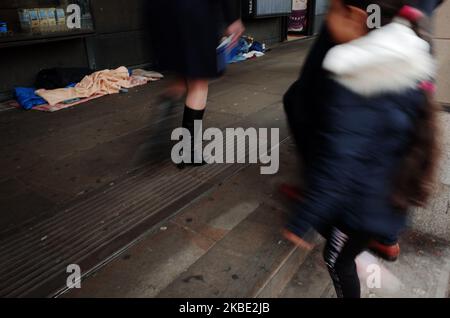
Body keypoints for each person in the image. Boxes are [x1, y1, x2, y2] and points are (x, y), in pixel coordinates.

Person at [283, 0, 442, 298]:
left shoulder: (356, 78)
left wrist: (301, 220)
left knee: (336, 259)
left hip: (362, 209)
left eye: (331, 12)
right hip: (391, 199)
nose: (327, 24)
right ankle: (370, 252)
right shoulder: (409, 61)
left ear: (357, 16)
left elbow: (338, 163)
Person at [149, 0, 245, 167]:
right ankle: (188, 151)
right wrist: (232, 18)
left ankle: (167, 105)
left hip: (162, 11)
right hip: (196, 11)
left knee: (181, 73)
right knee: (198, 83)